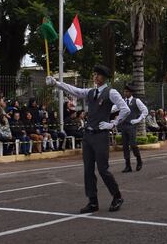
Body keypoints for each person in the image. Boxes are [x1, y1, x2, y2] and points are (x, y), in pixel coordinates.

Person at [46, 65, 129, 213]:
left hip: (101, 135)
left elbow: (125, 109)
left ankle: (117, 196)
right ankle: (92, 201)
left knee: (103, 169)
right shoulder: (91, 92)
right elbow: (75, 91)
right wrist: (57, 83)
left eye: (98, 75)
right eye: (94, 74)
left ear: (104, 77)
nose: (95, 77)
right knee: (88, 170)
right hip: (88, 135)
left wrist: (112, 124)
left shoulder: (111, 92)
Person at [116, 84, 148, 173]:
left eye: (127, 91)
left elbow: (145, 111)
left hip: (131, 126)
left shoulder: (136, 101)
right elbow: (114, 108)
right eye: (124, 91)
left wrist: (138, 120)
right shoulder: (122, 101)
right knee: (125, 146)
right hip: (123, 126)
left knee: (133, 144)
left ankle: (139, 161)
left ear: (130, 92)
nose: (125, 93)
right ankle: (128, 166)